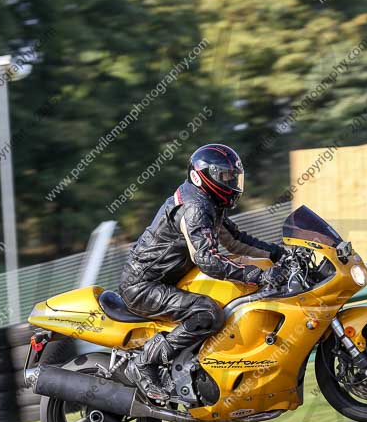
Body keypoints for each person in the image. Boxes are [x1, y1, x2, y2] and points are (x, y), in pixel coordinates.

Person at [118, 144, 288, 400]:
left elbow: (235, 240)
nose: (231, 182)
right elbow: (207, 259)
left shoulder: (208, 202)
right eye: (225, 176)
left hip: (169, 279)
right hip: (143, 286)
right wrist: (257, 275)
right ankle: (144, 362)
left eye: (233, 176)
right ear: (202, 176)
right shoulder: (195, 207)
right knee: (207, 313)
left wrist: (279, 254)